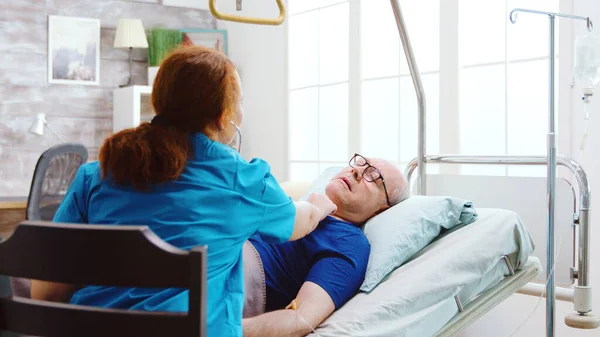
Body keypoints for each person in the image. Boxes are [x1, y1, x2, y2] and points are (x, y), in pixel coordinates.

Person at [30, 46, 336, 337]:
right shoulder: (241, 179)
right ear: (223, 115)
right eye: (239, 102)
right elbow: (300, 222)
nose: (242, 113)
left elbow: (45, 292)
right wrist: (320, 206)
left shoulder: (94, 175)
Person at [242, 153, 410, 337]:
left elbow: (300, 319)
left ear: (381, 210)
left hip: (235, 274)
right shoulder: (299, 209)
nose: (357, 171)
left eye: (373, 176)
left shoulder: (349, 243)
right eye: (360, 162)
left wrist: (224, 330)